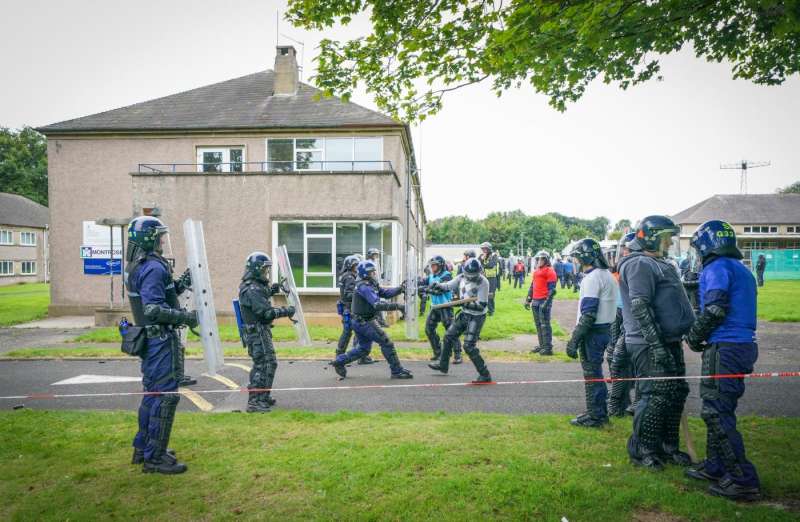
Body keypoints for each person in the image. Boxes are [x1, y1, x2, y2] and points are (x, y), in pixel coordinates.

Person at [684, 220, 762, 501]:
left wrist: (693, 336)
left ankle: (743, 479)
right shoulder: (740, 269)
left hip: (726, 348)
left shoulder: (716, 268)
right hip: (740, 346)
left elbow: (715, 308)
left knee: (716, 412)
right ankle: (717, 466)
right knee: (718, 408)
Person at [619, 215, 695, 470]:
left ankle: (667, 446)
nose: (671, 242)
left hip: (669, 340)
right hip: (647, 342)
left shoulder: (660, 262)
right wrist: (657, 345)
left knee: (674, 393)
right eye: (667, 237)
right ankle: (643, 450)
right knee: (655, 396)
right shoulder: (639, 263)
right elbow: (640, 306)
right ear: (652, 238)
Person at [125, 216, 196, 474]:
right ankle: (154, 458)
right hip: (159, 340)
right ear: (150, 238)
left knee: (152, 394)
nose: (163, 241)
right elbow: (154, 308)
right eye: (160, 236)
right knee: (165, 396)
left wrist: (180, 284)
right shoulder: (153, 267)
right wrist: (186, 317)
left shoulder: (139, 265)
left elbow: (159, 296)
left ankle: (144, 448)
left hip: (150, 339)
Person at [330, 260, 413, 379]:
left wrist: (400, 288)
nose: (374, 274)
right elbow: (377, 304)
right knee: (386, 342)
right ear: (365, 273)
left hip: (360, 321)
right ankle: (396, 371)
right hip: (365, 322)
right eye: (372, 272)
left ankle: (339, 361)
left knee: (363, 349)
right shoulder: (363, 287)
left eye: (374, 272)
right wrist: (398, 307)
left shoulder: (370, 283)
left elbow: (385, 292)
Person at [565, 239, 617, 427]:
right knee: (595, 374)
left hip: (593, 332)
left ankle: (596, 416)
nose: (575, 262)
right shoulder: (607, 275)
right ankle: (597, 412)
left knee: (592, 374)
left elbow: (588, 314)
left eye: (577, 258)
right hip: (604, 329)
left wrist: (574, 339)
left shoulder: (592, 278)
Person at [238, 252, 296, 413]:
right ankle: (255, 401)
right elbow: (266, 313)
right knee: (263, 364)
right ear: (256, 269)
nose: (267, 273)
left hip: (261, 331)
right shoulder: (252, 288)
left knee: (269, 363)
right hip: (257, 333)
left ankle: (263, 396)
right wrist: (287, 311)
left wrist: (272, 290)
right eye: (264, 269)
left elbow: (261, 297)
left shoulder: (257, 286)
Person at [428, 257, 493, 383]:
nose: (469, 277)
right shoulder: (461, 276)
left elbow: (481, 306)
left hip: (477, 316)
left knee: (469, 346)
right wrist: (438, 285)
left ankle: (485, 374)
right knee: (448, 336)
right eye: (468, 274)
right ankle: (443, 365)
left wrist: (462, 304)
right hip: (464, 314)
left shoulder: (483, 282)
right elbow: (448, 286)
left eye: (472, 275)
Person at [607, 232, 638, 417]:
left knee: (625, 359)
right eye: (624, 249)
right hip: (618, 311)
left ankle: (629, 403)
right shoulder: (622, 268)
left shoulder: (637, 267)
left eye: (627, 249)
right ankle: (621, 400)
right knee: (615, 356)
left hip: (633, 317)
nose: (624, 252)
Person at [423, 255, 463, 364]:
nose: (432, 267)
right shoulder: (431, 276)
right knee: (428, 329)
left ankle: (458, 354)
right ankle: (438, 353)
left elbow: (440, 290)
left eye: (434, 265)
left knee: (451, 330)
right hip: (435, 307)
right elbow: (423, 282)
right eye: (431, 265)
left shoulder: (447, 275)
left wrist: (427, 290)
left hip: (445, 306)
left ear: (440, 265)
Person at [336, 254, 374, 365]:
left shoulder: (348, 276)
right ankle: (340, 357)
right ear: (349, 266)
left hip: (349, 309)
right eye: (355, 265)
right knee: (348, 333)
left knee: (358, 333)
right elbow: (348, 295)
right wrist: (360, 294)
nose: (357, 268)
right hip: (350, 310)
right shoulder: (349, 277)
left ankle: (360, 356)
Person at [526, 250, 557, 356]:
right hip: (535, 301)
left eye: (542, 258)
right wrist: (528, 299)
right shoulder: (536, 270)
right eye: (538, 258)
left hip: (544, 301)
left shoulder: (550, 271)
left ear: (546, 260)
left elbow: (552, 290)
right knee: (538, 324)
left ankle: (548, 347)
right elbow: (532, 285)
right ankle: (542, 345)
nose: (540, 260)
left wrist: (547, 303)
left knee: (545, 324)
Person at [479, 242, 498, 315]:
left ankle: (491, 310)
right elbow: (478, 264)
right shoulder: (481, 256)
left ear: (489, 249)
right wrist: (481, 260)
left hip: (491, 278)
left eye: (485, 248)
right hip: (483, 278)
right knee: (482, 294)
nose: (484, 250)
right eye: (483, 249)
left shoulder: (494, 255)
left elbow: (491, 265)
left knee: (490, 294)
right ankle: (483, 308)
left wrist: (483, 264)